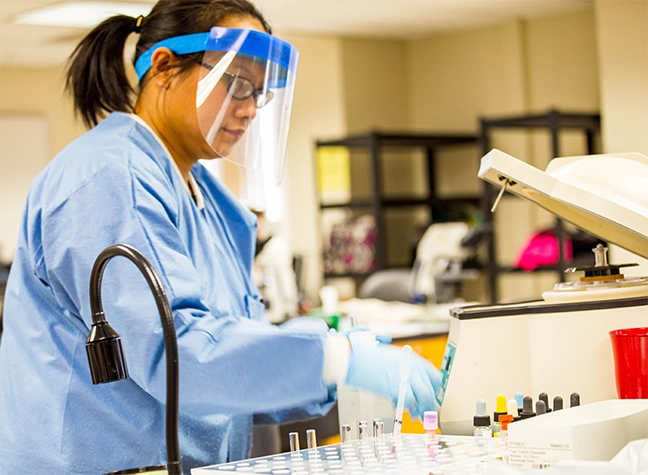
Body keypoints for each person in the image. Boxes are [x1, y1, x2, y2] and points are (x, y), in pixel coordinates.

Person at [0, 1, 442, 473]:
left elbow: (228, 374)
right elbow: (179, 357)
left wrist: (333, 368)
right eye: (237, 83)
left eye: (260, 92)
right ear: (165, 68)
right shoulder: (110, 179)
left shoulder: (210, 204)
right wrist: (334, 358)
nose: (251, 108)